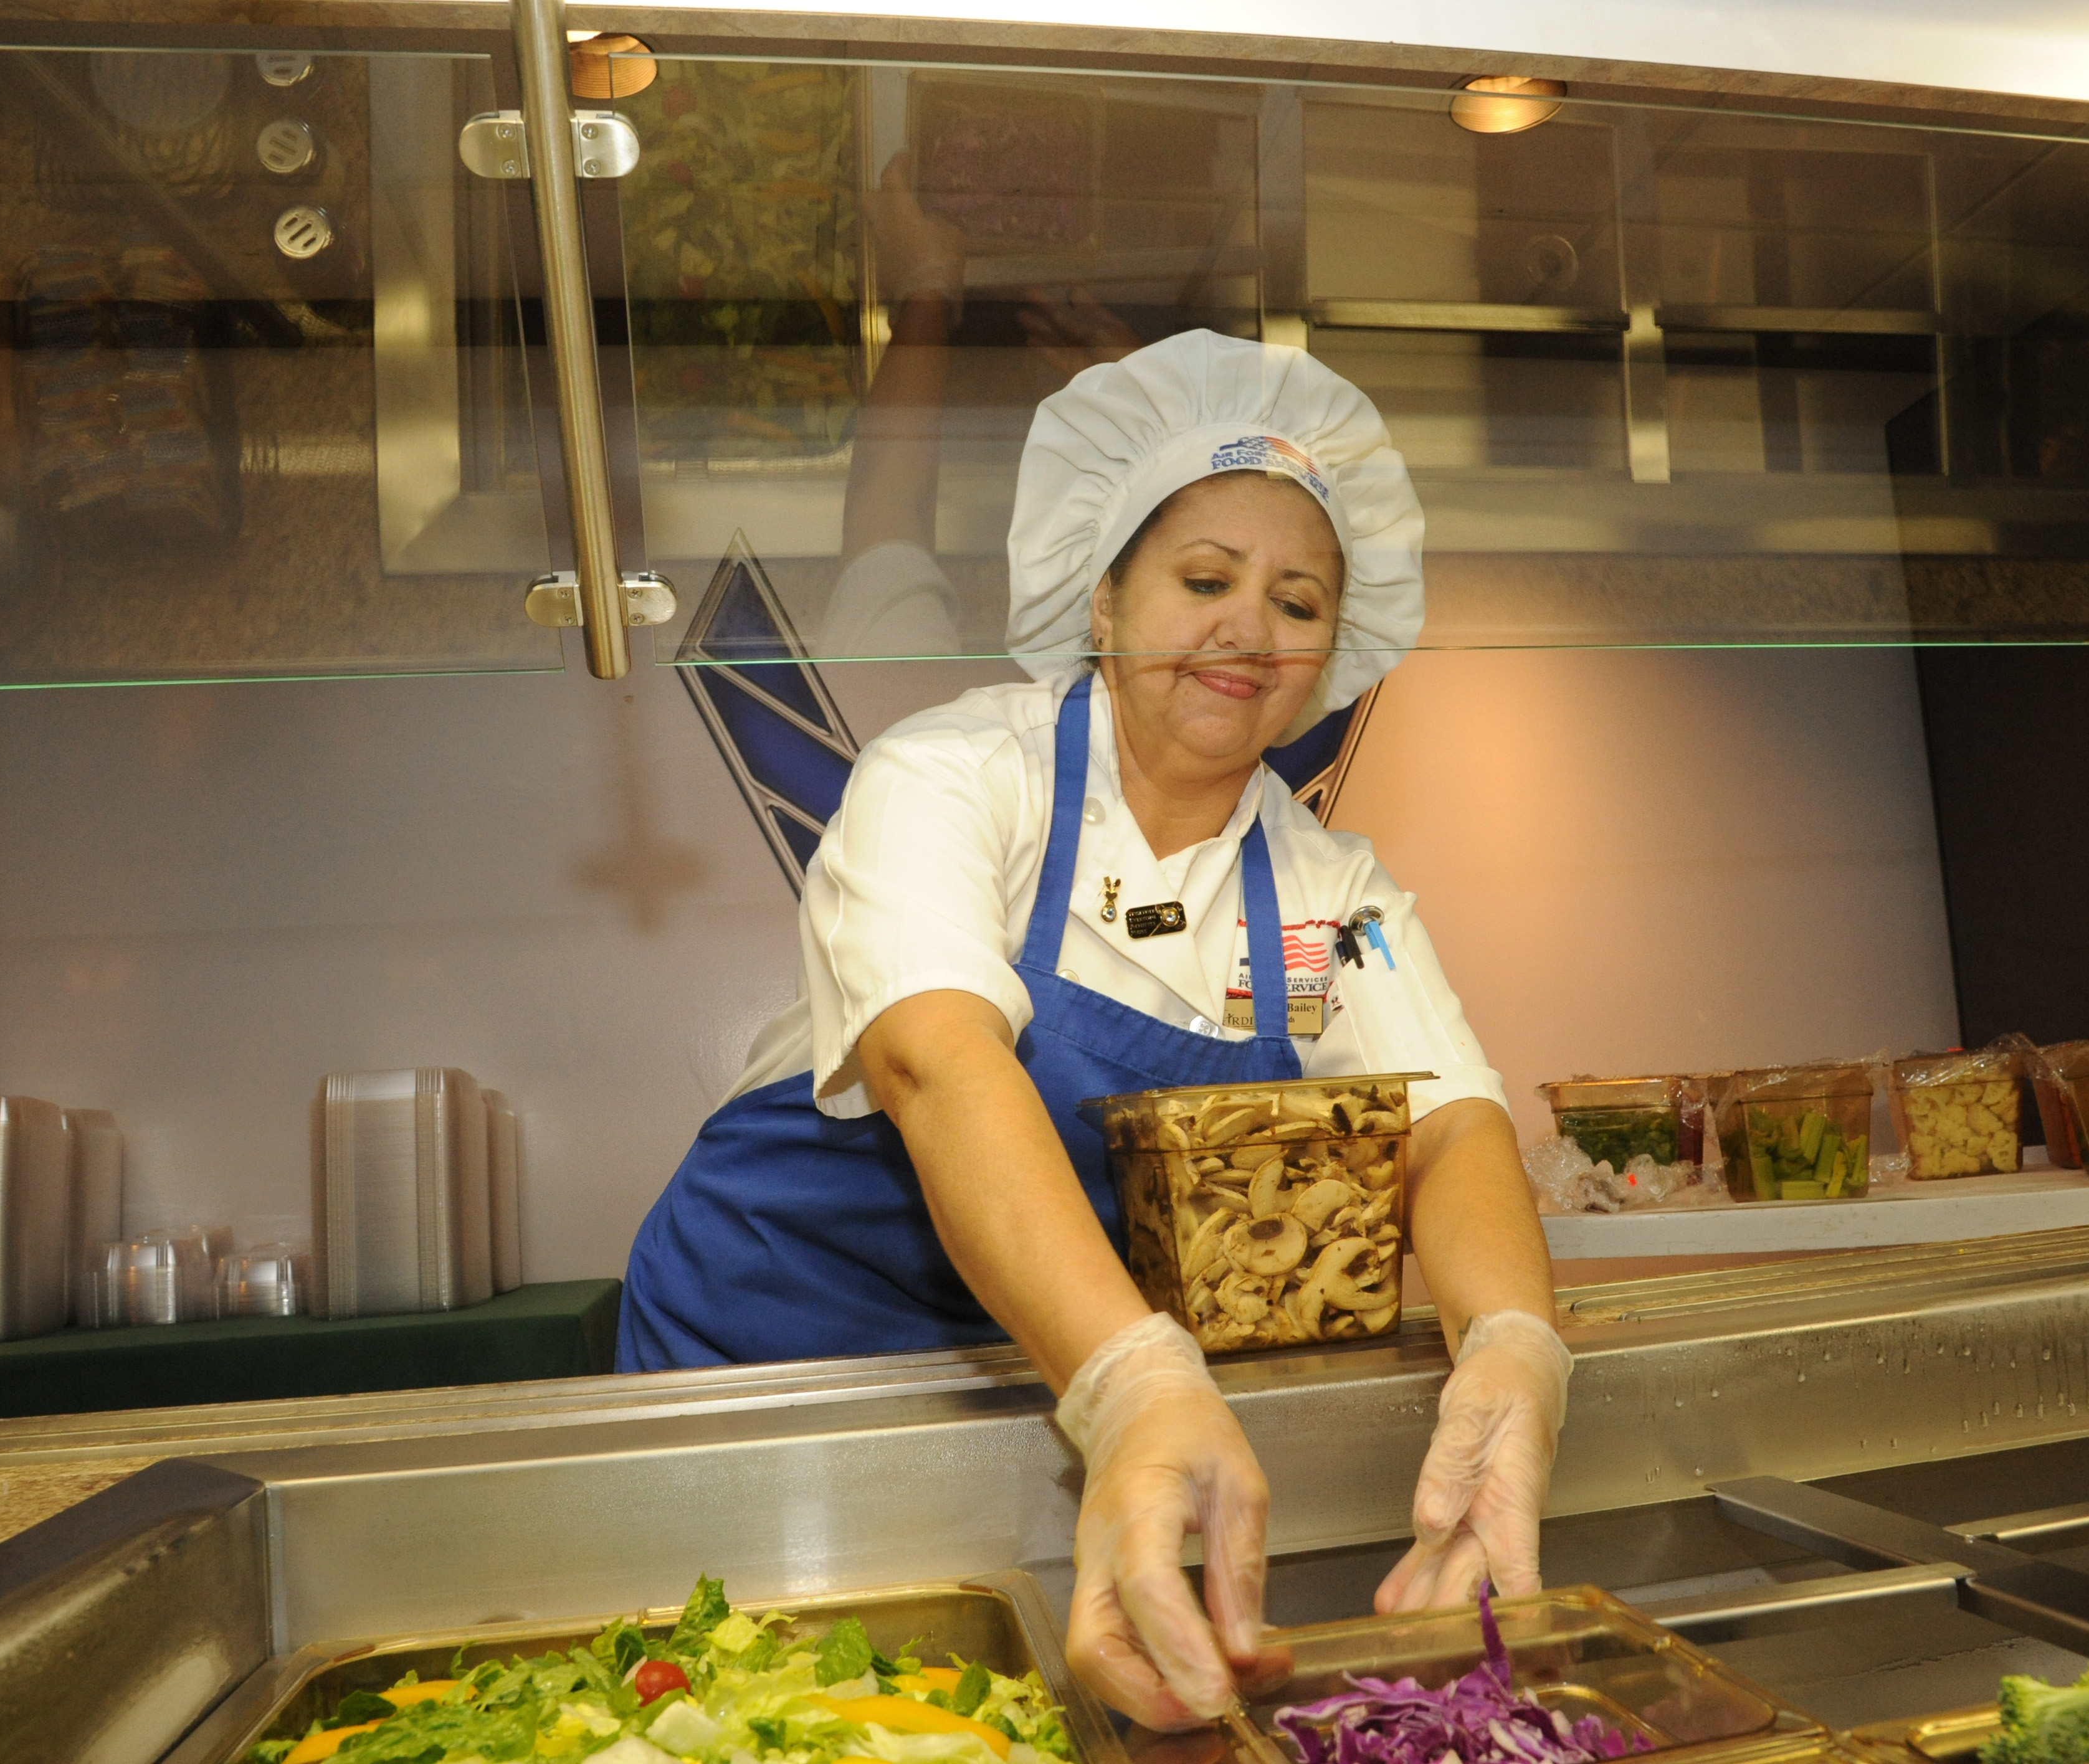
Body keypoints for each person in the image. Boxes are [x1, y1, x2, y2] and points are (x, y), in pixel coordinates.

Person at [621, 232, 1566, 1728]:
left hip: (1047, 1388)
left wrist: (1514, 1348)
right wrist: (1134, 1379)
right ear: (1104, 601)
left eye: (1300, 603)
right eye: (1203, 578)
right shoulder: (957, 783)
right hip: (770, 1367)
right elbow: (942, 1062)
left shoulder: (1319, 907)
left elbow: (1444, 1128)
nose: (1249, 630)